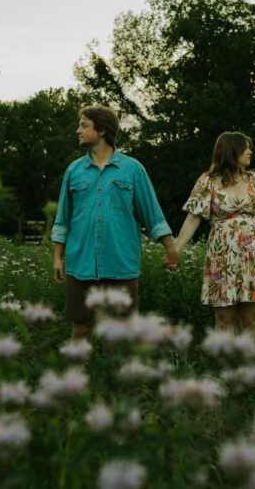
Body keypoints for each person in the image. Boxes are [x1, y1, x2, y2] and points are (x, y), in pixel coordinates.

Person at [51, 105, 180, 341]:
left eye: (84, 125)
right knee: (81, 329)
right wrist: (57, 257)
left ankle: (118, 378)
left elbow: (153, 214)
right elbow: (63, 218)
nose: (77, 130)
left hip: (120, 265)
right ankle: (76, 377)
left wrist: (171, 249)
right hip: (81, 265)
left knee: (121, 335)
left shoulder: (132, 170)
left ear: (101, 130)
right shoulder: (74, 171)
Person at [173, 131, 255, 340]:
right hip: (223, 255)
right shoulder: (207, 182)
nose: (250, 151)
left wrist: (244, 229)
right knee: (225, 318)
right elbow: (193, 218)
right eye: (245, 147)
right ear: (232, 151)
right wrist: (176, 251)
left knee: (250, 317)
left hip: (252, 254)